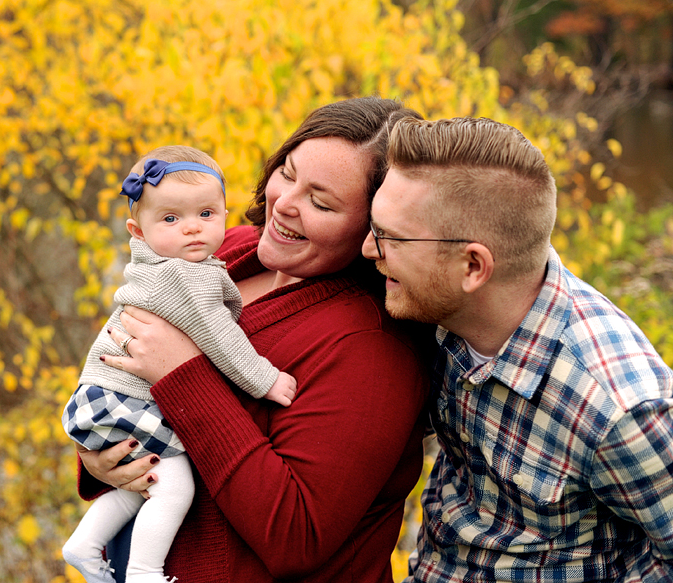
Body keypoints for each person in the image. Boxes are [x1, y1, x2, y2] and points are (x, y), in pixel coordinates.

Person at [76, 96, 435, 583]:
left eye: (321, 202)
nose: (283, 203)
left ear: (373, 231)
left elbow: (297, 535)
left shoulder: (372, 350)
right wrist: (105, 456)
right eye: (287, 173)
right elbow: (128, 351)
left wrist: (184, 377)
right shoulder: (232, 249)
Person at [362, 116, 673, 582]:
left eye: (390, 237)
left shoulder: (617, 406)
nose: (369, 248)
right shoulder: (440, 309)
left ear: (473, 266)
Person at [61, 145, 297, 583]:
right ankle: (144, 573)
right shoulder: (183, 275)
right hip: (121, 399)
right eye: (170, 219)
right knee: (176, 487)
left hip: (102, 399)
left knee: (149, 482)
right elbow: (220, 337)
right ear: (138, 231)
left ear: (226, 213)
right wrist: (266, 380)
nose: (191, 228)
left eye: (206, 214)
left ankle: (84, 542)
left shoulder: (174, 265)